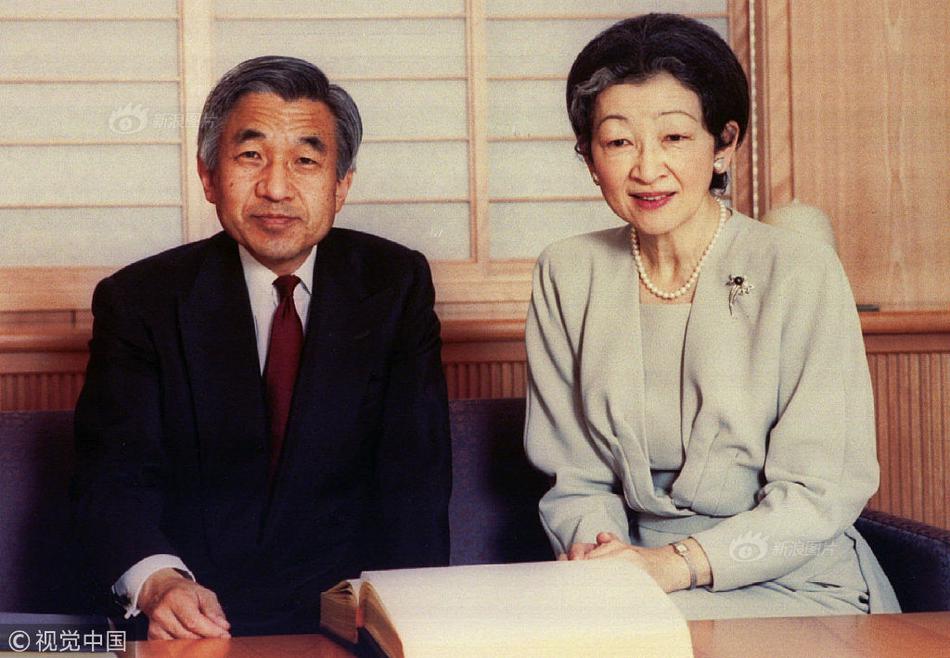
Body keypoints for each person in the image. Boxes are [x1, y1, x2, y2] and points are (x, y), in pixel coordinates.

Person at [523, 14, 899, 619]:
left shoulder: (798, 269)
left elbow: (819, 494)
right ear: (590, 158)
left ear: (724, 144)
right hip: (627, 577)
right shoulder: (568, 273)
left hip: (791, 578)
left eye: (675, 138)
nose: (647, 168)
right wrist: (607, 558)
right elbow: (575, 479)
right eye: (618, 141)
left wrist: (670, 569)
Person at [72, 56, 452, 638]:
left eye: (305, 160)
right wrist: (158, 581)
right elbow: (114, 478)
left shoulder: (394, 285)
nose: (276, 186)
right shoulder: (140, 300)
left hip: (346, 621)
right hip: (192, 621)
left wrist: (399, 625)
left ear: (341, 185)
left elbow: (415, 487)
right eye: (250, 156)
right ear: (208, 176)